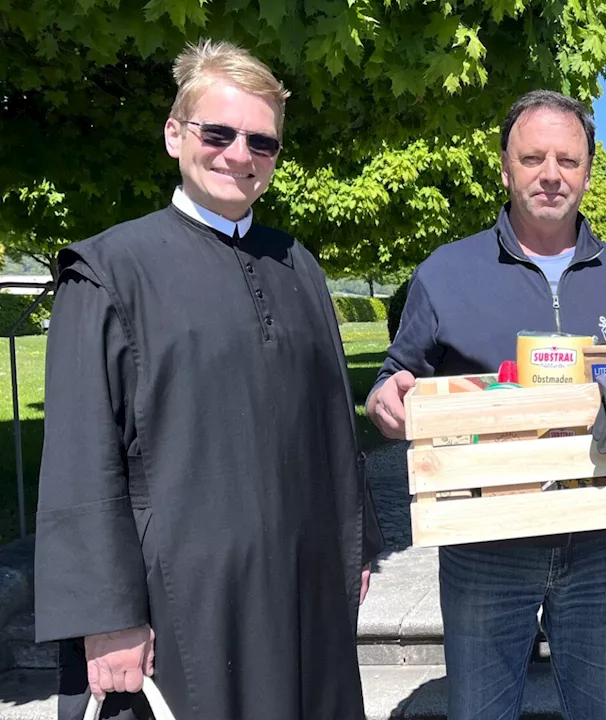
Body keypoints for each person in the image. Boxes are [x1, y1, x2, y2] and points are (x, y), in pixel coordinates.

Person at [34, 40, 382, 720]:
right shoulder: (108, 272)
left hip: (304, 583)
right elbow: (80, 458)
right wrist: (107, 617)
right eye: (217, 133)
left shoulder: (297, 266)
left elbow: (334, 420)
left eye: (262, 141)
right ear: (174, 134)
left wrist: (359, 541)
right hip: (181, 603)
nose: (239, 155)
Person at [365, 90, 606, 720]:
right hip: (486, 546)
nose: (551, 174)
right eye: (532, 157)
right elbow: (399, 374)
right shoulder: (446, 272)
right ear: (505, 167)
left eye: (568, 158)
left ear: (589, 169)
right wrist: (384, 397)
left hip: (601, 539)